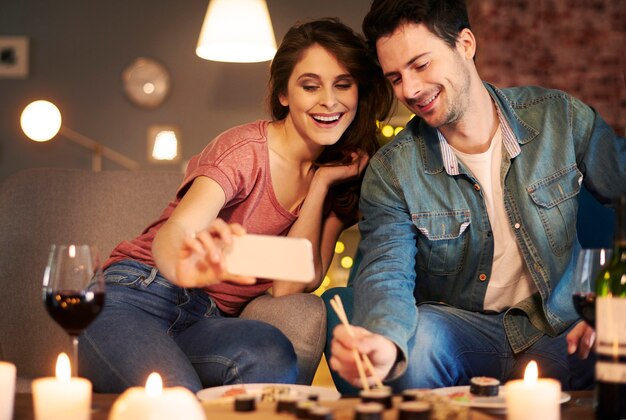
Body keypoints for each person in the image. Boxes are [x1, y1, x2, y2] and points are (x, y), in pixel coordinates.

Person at [79, 17, 393, 393]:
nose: (329, 100)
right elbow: (176, 232)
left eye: (343, 85)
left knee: (272, 357)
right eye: (310, 86)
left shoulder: (339, 178)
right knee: (177, 398)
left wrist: (320, 186)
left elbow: (290, 284)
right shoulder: (245, 151)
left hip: (204, 321)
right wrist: (183, 264)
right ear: (284, 95)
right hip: (138, 296)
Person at [329, 0, 626, 392]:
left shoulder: (562, 119)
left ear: (465, 44)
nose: (411, 89)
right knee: (417, 347)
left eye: (421, 65)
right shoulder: (391, 171)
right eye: (396, 78)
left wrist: (614, 304)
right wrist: (385, 341)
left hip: (562, 328)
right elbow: (386, 270)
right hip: (460, 332)